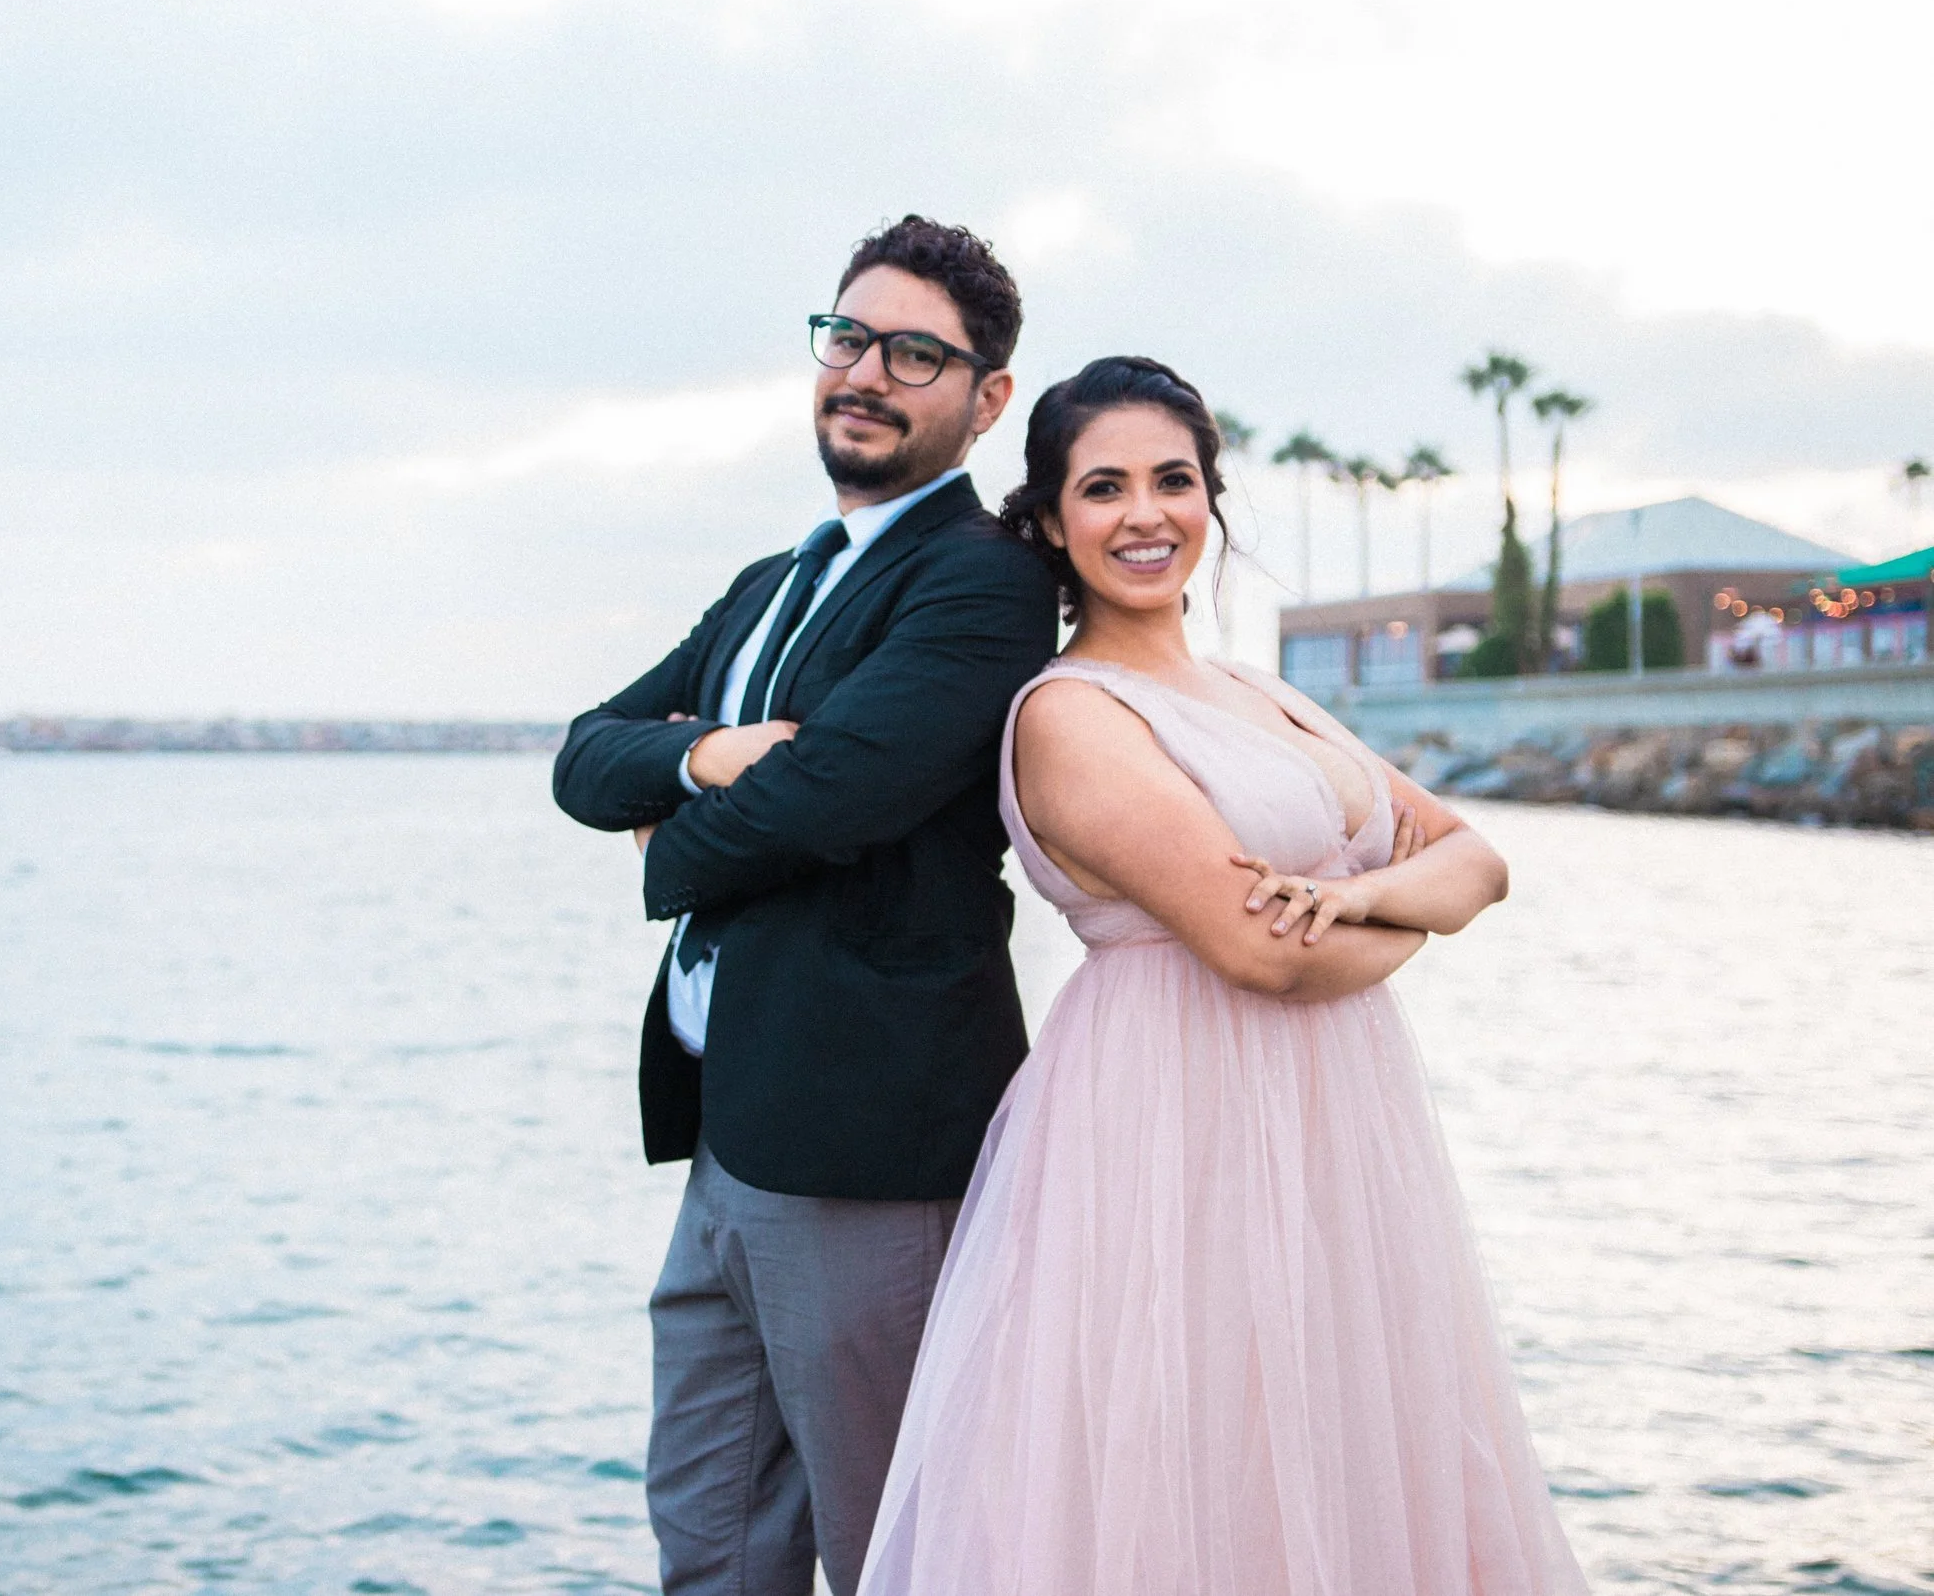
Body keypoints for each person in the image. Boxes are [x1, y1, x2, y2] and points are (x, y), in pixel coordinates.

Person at [857, 356, 1590, 1595]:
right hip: (1170, 1133)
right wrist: (1405, 918)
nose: (1145, 514)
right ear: (1050, 521)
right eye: (1103, 487)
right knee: (1197, 1461)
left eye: (1173, 480)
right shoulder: (1069, 715)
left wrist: (1359, 899)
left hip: (1337, 1131)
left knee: (1344, 1440)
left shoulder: (1258, 690)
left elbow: (1478, 859)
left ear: (1210, 497)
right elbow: (1259, 950)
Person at [550, 216, 1059, 1595]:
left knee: (896, 1545)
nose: (866, 372)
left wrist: (667, 848)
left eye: (914, 353)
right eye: (848, 336)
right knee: (710, 1528)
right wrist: (711, 753)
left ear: (987, 398)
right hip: (726, 1131)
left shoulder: (984, 580)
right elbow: (584, 754)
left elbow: (830, 796)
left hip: (866, 1148)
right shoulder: (770, 583)